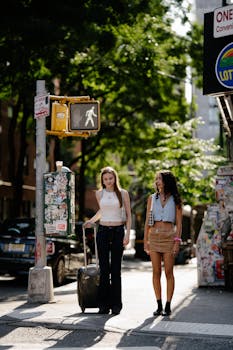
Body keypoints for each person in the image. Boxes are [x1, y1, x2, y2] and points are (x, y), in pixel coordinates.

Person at [84, 166, 131, 315]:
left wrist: (127, 234)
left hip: (118, 232)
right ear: (102, 181)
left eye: (111, 178)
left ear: (115, 178)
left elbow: (129, 215)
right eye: (105, 179)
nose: (108, 181)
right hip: (103, 231)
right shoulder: (99, 193)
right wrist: (91, 221)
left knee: (115, 270)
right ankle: (103, 305)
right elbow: (102, 211)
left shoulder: (123, 193)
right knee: (104, 270)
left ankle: (116, 305)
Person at [144, 170, 182, 316]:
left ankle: (168, 305)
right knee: (156, 272)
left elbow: (179, 224)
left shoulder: (176, 199)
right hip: (154, 237)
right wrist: (146, 241)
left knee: (168, 272)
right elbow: (148, 221)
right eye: (156, 179)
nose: (157, 181)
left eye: (159, 179)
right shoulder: (152, 198)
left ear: (166, 181)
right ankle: (159, 304)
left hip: (169, 238)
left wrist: (177, 242)